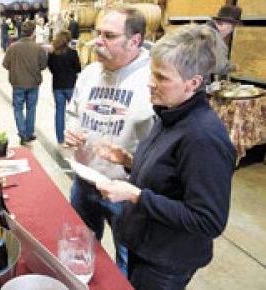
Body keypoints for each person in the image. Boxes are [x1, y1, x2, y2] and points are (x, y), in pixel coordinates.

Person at [94, 24, 236, 289]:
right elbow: (171, 176)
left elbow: (208, 220)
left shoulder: (203, 138)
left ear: (193, 83)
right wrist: (128, 160)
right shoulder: (170, 112)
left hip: (166, 261)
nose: (150, 82)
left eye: (162, 77)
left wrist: (136, 196)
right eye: (151, 72)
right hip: (144, 244)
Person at [64, 5, 155, 276]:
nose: (97, 42)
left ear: (135, 40)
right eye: (97, 33)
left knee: (125, 263)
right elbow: (72, 111)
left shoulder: (153, 79)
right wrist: (70, 130)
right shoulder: (91, 72)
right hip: (84, 181)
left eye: (109, 36)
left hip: (124, 190)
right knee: (78, 250)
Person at [3, 21, 47, 145]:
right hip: (33, 83)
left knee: (18, 108)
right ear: (33, 33)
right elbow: (43, 66)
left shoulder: (13, 47)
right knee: (31, 109)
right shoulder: (38, 48)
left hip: (17, 83)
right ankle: (29, 133)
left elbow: (5, 65)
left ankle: (22, 134)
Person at [47, 30, 81, 145]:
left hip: (57, 86)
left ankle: (60, 139)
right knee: (73, 114)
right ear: (67, 40)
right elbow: (78, 69)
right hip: (71, 86)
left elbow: (50, 68)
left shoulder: (52, 54)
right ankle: (73, 138)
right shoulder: (72, 53)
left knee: (59, 112)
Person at [206, 5, 242, 76]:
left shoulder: (201, 29)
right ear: (227, 24)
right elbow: (220, 68)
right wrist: (234, 67)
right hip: (193, 83)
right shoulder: (215, 37)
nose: (231, 31)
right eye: (232, 27)